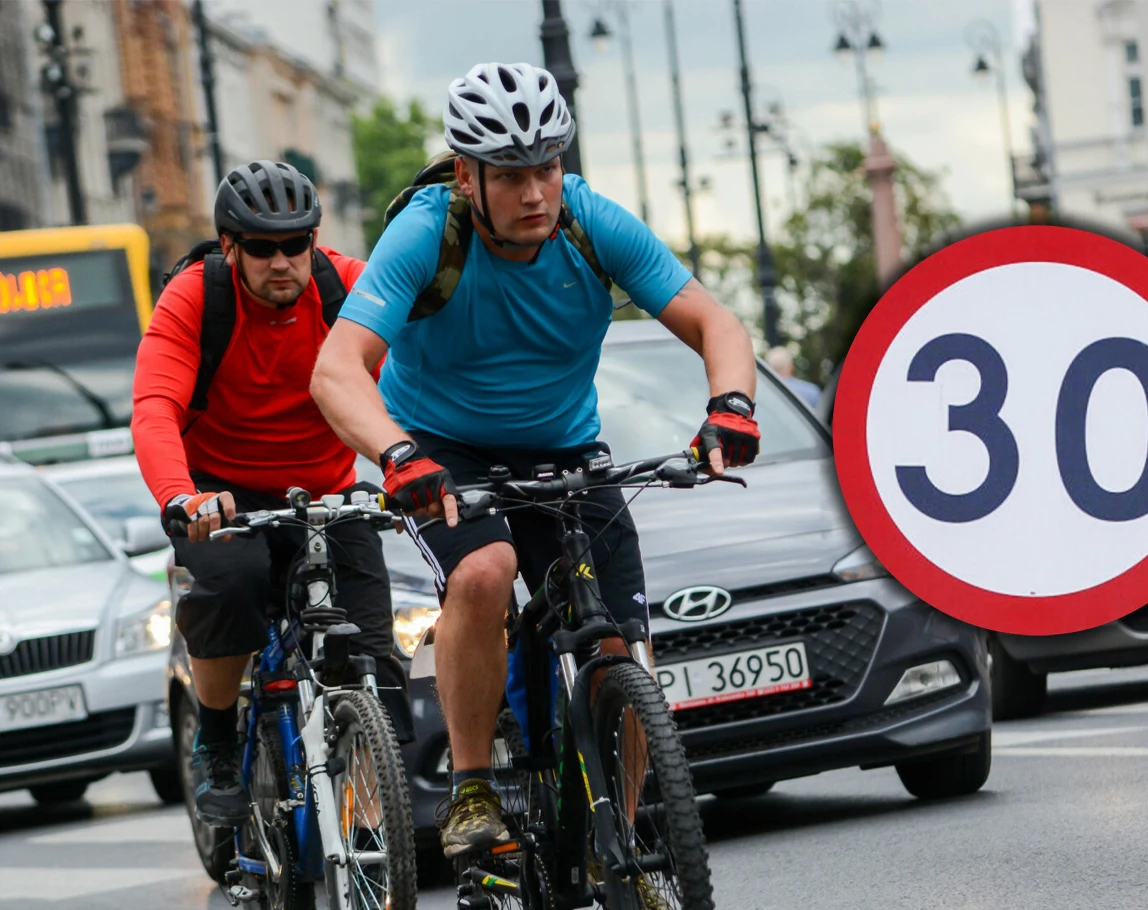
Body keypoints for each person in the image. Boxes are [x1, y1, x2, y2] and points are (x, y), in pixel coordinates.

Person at [310, 62, 761, 859]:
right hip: (442, 450)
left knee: (618, 646)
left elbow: (713, 321)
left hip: (564, 449)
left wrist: (730, 405)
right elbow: (337, 369)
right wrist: (398, 454)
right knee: (485, 572)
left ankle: (619, 840)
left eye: (547, 168)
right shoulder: (427, 233)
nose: (535, 193)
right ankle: (473, 791)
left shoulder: (591, 223)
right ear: (467, 176)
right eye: (512, 175)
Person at [131, 160, 413, 827]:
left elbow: (414, 376)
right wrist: (181, 496)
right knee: (231, 582)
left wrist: (416, 463)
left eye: (295, 244)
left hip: (324, 490)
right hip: (220, 496)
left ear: (314, 240)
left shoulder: (347, 286)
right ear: (230, 247)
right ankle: (219, 741)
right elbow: (154, 408)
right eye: (261, 247)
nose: (281, 261)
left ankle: (378, 814)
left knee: (374, 649)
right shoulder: (196, 299)